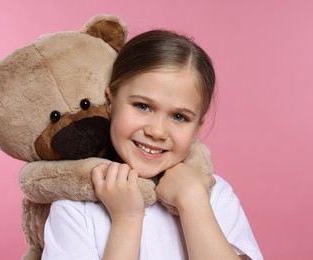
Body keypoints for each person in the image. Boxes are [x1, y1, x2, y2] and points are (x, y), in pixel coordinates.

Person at [42, 30, 263, 260]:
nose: (156, 131)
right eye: (142, 106)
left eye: (179, 117)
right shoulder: (74, 206)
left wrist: (193, 202)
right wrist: (126, 219)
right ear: (110, 102)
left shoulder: (214, 194)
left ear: (197, 127)